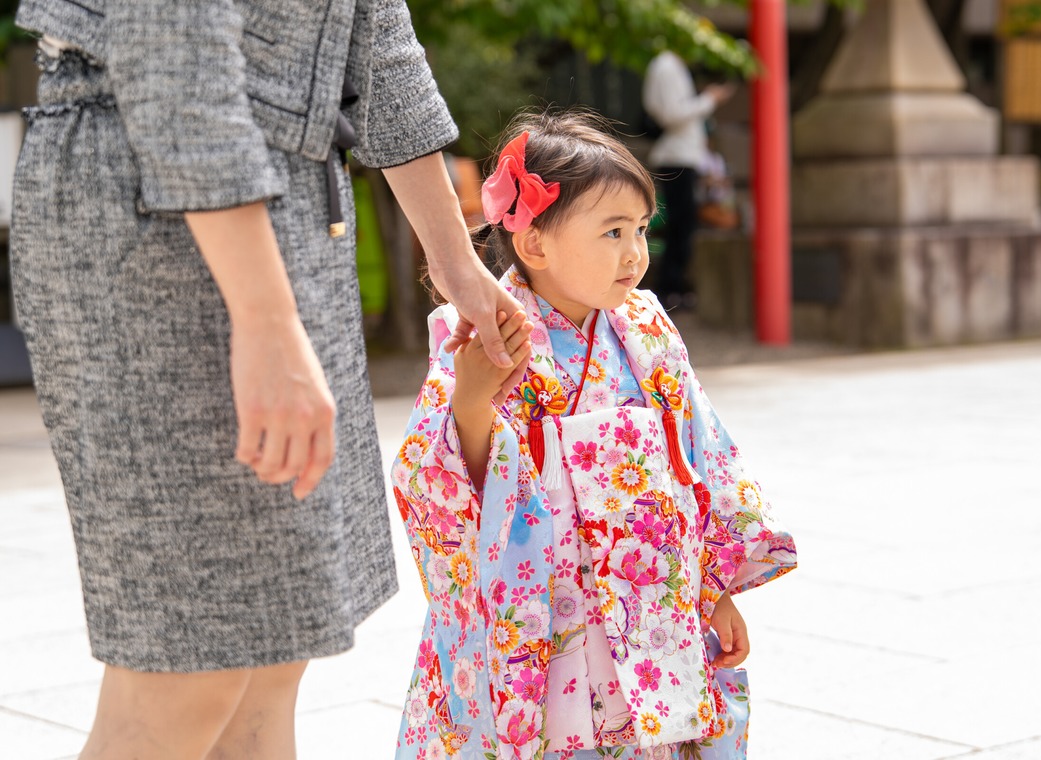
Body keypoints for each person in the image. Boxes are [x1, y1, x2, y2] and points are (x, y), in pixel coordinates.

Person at [9, 1, 521, 758]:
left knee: (275, 653)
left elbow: (378, 37)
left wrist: (455, 260)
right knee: (191, 662)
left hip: (290, 197)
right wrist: (266, 322)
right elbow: (173, 52)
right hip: (154, 189)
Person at [391, 110, 797, 759]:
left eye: (641, 229)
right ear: (535, 244)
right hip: (547, 607)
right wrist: (470, 399)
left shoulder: (648, 329)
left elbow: (702, 456)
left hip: (653, 598)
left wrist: (713, 588)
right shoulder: (480, 332)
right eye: (612, 231)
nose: (635, 252)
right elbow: (435, 479)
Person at [642, 50, 735, 307]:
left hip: (683, 157)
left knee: (684, 225)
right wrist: (709, 99)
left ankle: (675, 284)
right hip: (676, 158)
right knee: (680, 225)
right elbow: (672, 114)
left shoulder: (670, 65)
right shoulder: (666, 65)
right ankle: (670, 287)